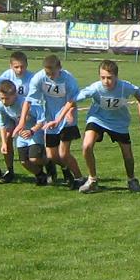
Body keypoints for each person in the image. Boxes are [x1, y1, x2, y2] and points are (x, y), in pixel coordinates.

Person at [74, 60, 140, 194]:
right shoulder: (96, 88)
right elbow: (76, 98)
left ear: (116, 76)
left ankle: (132, 179)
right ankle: (92, 180)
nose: (106, 81)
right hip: (97, 119)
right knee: (86, 146)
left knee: (127, 153)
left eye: (109, 78)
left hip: (119, 123)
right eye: (102, 77)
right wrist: (68, 105)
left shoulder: (125, 87)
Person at [23, 54, 84, 189]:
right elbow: (29, 99)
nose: (50, 77)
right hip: (50, 120)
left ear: (59, 68)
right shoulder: (39, 78)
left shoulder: (68, 79)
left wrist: (68, 113)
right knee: (51, 155)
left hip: (67, 120)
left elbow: (72, 100)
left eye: (53, 73)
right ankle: (65, 169)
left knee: (63, 153)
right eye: (47, 73)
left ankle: (79, 178)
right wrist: (22, 122)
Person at [0, 81, 48, 186]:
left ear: (15, 95)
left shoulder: (27, 103)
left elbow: (42, 120)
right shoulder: (1, 106)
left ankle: (50, 161)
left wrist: (32, 130)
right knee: (24, 162)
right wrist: (4, 143)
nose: (4, 101)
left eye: (7, 98)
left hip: (35, 133)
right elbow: (3, 125)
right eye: (1, 98)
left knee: (34, 159)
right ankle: (40, 175)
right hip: (21, 135)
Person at [0, 51, 30, 180]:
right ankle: (9, 170)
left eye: (22, 66)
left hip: (27, 115)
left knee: (31, 141)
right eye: (16, 67)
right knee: (7, 138)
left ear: (27, 65)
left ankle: (46, 165)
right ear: (11, 66)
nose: (20, 70)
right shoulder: (6, 76)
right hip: (10, 114)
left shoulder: (32, 78)